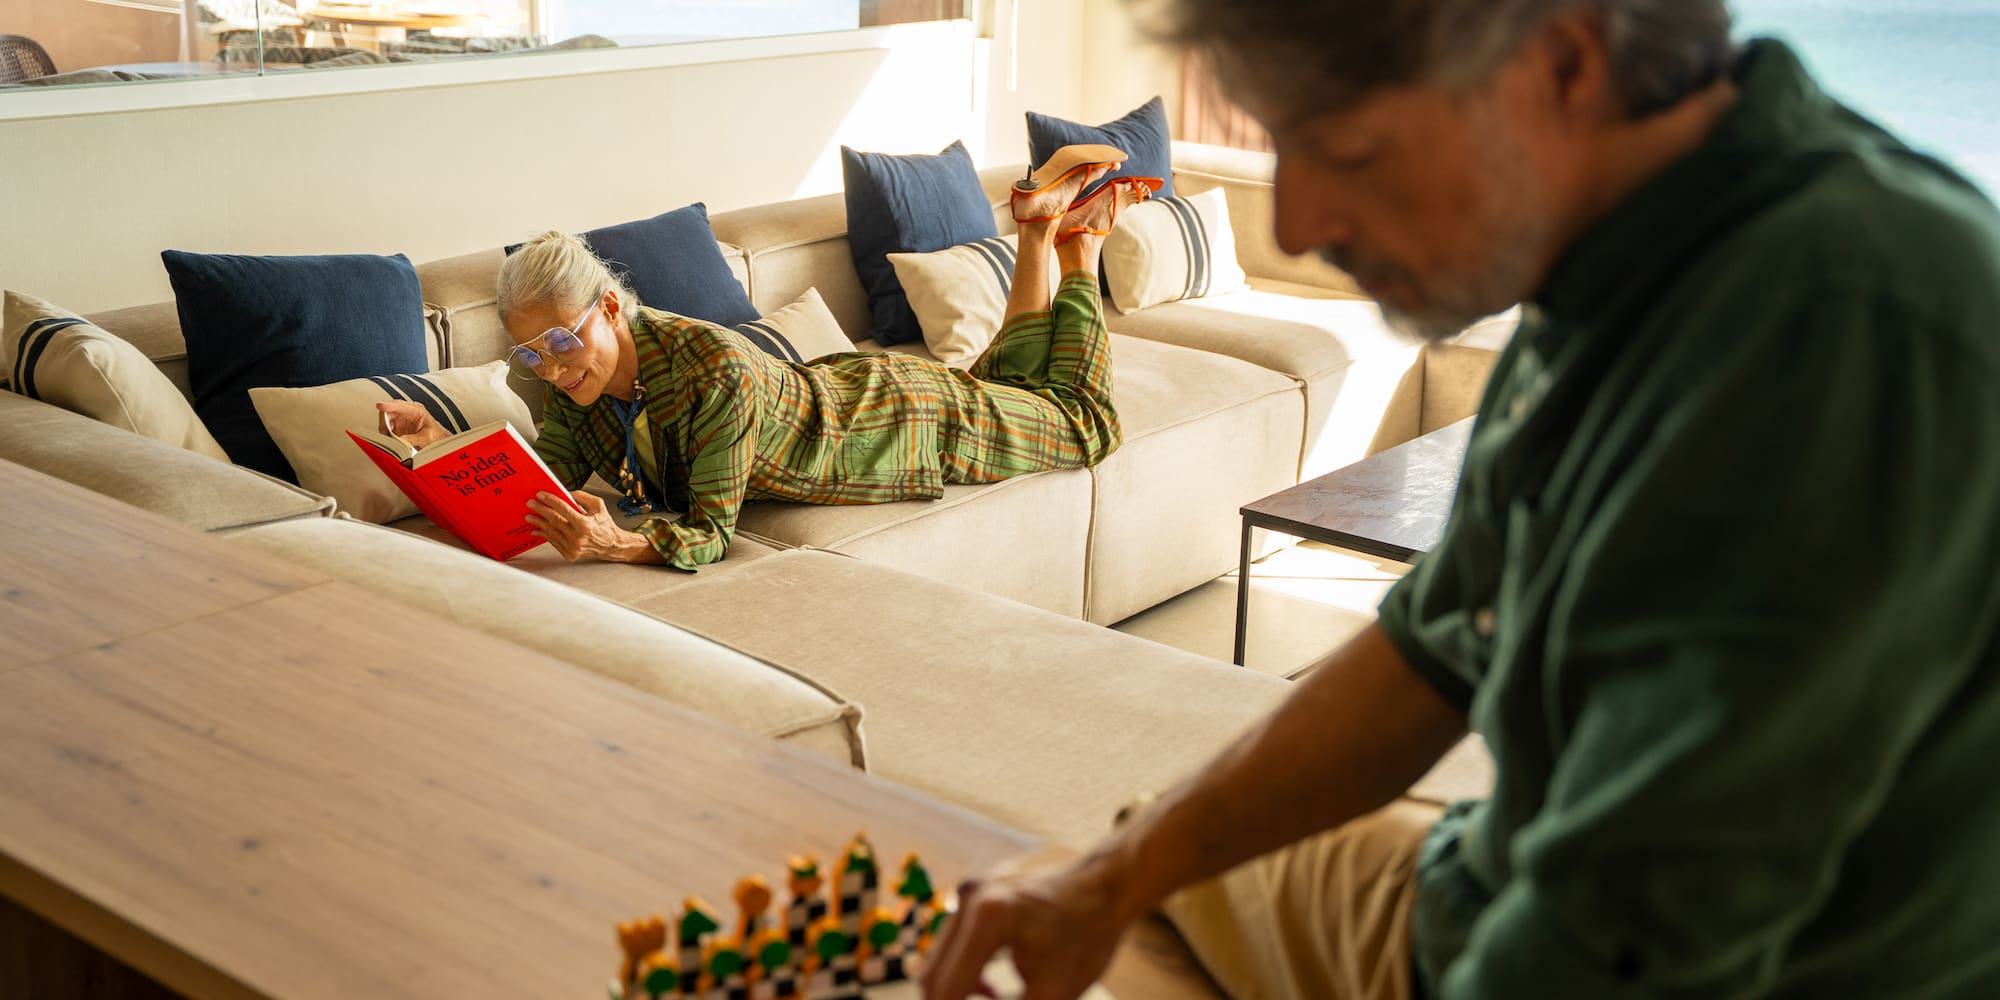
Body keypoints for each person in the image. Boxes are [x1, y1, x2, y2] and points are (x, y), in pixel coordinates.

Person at [922, 2, 2000, 999]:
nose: (1292, 222)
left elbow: (1617, 942)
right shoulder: (1612, 256)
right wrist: (1116, 874)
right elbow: (1430, 647)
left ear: (1562, 62)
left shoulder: (1836, 325)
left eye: (1343, 147)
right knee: (1101, 878)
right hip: (1473, 888)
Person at [378, 145, 1155, 569]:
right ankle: (1035, 229)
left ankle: (1080, 245)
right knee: (1018, 381)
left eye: (559, 342)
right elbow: (533, 483)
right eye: (529, 354)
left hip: (897, 422)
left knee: (1083, 421)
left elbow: (710, 532)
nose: (548, 367)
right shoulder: (579, 388)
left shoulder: (705, 368)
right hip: (850, 390)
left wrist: (618, 541)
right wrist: (434, 450)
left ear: (611, 307)